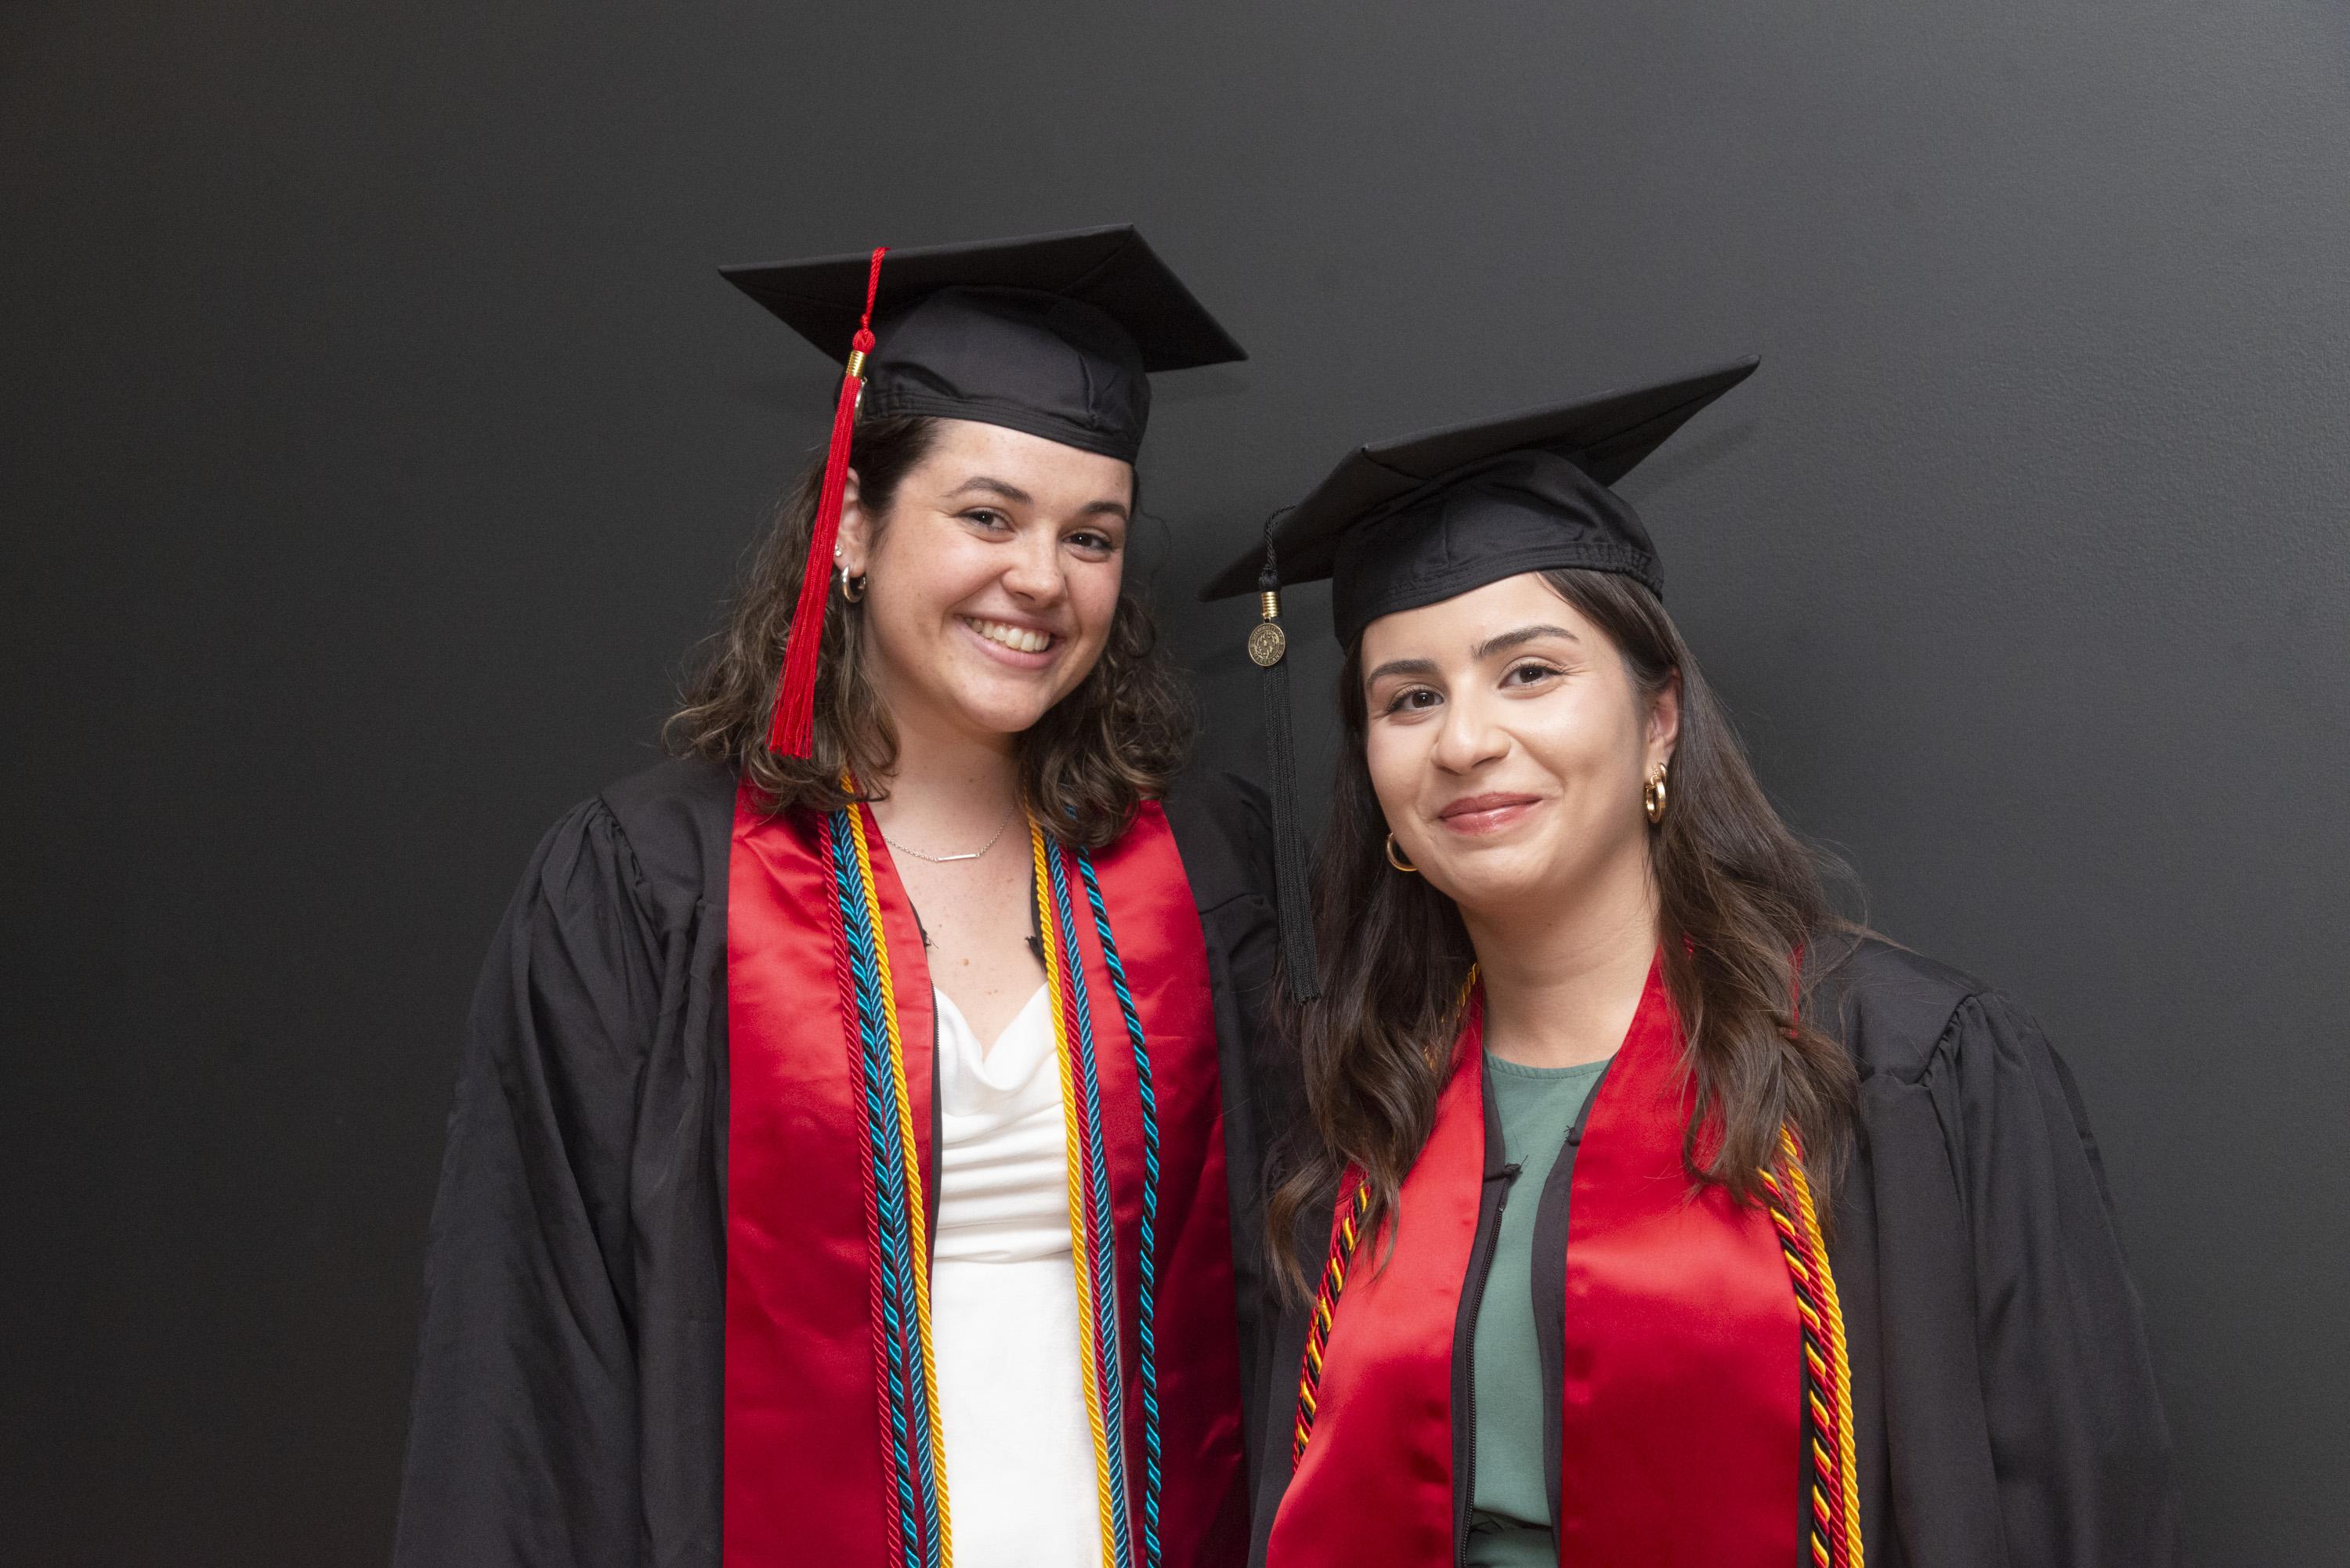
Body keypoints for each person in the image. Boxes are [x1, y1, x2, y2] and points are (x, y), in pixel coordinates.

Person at [396, 227, 1292, 1568]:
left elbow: (1294, 1301)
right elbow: (533, 1349)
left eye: (1090, 535)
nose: (1040, 579)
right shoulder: (652, 884)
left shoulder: (1198, 870)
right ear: (858, 528)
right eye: (986, 515)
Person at [1201, 361, 2182, 1567]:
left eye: (1530, 671)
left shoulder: (1899, 1072)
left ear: (1657, 717)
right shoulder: (1351, 1107)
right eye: (1409, 697)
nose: (1465, 739)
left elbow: (2069, 1511)